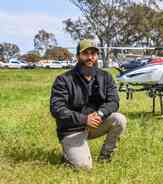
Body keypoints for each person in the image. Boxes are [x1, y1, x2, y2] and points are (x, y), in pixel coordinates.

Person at [50, 39, 127, 169]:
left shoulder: (105, 77)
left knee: (119, 119)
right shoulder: (63, 80)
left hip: (96, 124)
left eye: (94, 53)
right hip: (71, 129)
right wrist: (84, 119)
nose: (90, 57)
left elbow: (113, 101)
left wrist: (100, 114)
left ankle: (105, 157)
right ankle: (68, 154)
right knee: (84, 167)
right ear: (78, 56)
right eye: (85, 53)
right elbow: (57, 108)